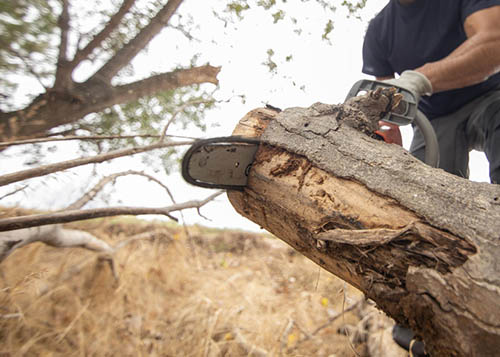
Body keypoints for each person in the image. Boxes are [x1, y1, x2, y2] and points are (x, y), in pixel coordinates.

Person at [362, 0, 500, 184]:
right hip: (433, 119)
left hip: (490, 95)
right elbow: (387, 105)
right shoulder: (378, 31)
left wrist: (421, 78)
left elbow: (494, 41)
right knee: (419, 191)